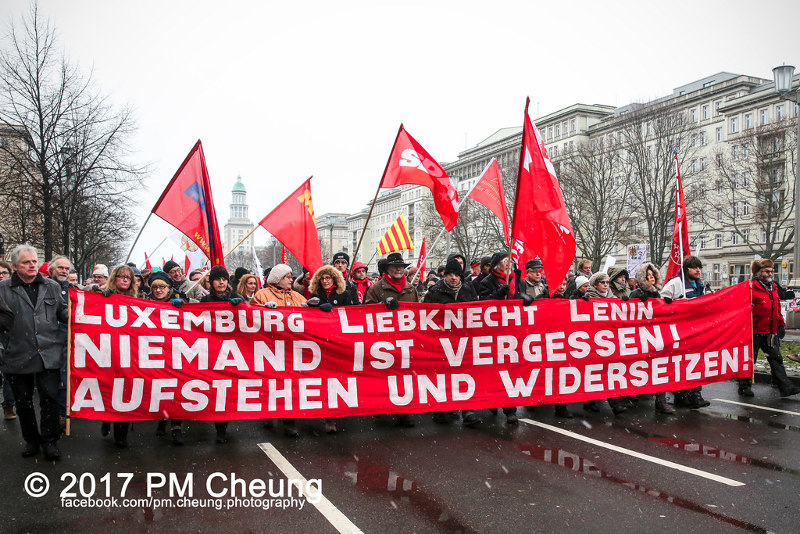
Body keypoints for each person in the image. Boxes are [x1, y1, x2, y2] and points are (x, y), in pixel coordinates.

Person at [0, 245, 68, 460]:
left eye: (34, 262)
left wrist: (86, 309)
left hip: (48, 354)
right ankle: (31, 440)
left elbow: (62, 311)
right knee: (24, 402)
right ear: (14, 266)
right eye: (26, 262)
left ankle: (50, 442)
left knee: (49, 399)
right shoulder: (3, 289)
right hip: (17, 355)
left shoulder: (51, 286)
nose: (32, 265)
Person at [423, 257, 482, 426]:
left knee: (465, 375)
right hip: (442, 343)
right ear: (445, 275)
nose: (454, 277)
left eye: (457, 274)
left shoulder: (467, 290)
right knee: (443, 376)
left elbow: (477, 312)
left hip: (464, 341)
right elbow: (425, 318)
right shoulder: (434, 293)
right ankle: (441, 408)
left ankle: (468, 411)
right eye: (450, 274)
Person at [364, 253, 419, 427]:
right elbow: (365, 312)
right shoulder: (376, 288)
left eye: (401, 266)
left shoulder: (411, 289)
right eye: (395, 266)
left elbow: (419, 313)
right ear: (387, 269)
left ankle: (404, 412)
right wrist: (382, 306)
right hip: (383, 341)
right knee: (383, 376)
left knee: (404, 376)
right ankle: (380, 405)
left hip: (405, 340)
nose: (398, 269)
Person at [251, 264, 306, 436]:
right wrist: (261, 309)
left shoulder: (297, 296)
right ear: (276, 279)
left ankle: (289, 421)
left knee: (289, 386)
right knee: (271, 384)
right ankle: (269, 413)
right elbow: (250, 317)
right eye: (287, 277)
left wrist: (312, 309)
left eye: (291, 276)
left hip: (292, 349)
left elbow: (309, 319)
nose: (291, 279)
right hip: (270, 347)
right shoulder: (262, 295)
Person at [738, 259, 799, 398]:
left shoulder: (774, 288)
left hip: (770, 331)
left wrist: (781, 324)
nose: (770, 273)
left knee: (776, 359)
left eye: (771, 271)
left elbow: (776, 309)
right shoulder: (751, 287)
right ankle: (744, 386)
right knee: (749, 360)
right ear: (759, 273)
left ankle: (785, 387)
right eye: (767, 271)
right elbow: (741, 308)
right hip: (754, 331)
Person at [200, 266, 245, 443]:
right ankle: (219, 429)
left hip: (232, 351)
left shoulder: (237, 298)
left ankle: (223, 428)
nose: (221, 282)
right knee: (216, 391)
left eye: (224, 279)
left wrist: (241, 306)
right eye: (218, 279)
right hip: (211, 351)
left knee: (227, 392)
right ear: (212, 282)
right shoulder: (205, 300)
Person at [660, 255, 711, 409]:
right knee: (681, 364)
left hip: (696, 331)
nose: (698, 270)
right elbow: (661, 304)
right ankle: (682, 394)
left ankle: (695, 394)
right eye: (695, 268)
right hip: (679, 332)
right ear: (686, 269)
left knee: (695, 363)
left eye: (699, 268)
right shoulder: (675, 284)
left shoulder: (700, 285)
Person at [97, 265, 139, 447]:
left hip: (129, 352)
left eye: (127, 278)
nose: (124, 280)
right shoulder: (101, 295)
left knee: (126, 392)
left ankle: (121, 434)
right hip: (108, 351)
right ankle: (107, 418)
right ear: (114, 278)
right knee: (109, 389)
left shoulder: (138, 300)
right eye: (121, 276)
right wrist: (101, 297)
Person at [309, 265, 352, 433]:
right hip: (319, 342)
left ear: (335, 279)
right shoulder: (315, 295)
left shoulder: (344, 295)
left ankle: (335, 414)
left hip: (338, 341)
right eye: (323, 278)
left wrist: (332, 313)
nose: (325, 281)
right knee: (325, 379)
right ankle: (328, 416)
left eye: (328, 278)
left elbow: (351, 314)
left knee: (338, 378)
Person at [146, 271, 188, 445]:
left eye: (162, 287)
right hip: (155, 351)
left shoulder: (180, 299)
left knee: (176, 388)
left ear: (169, 289)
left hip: (176, 351)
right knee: (159, 388)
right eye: (155, 287)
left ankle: (176, 426)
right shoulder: (144, 303)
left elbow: (198, 311)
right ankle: (161, 419)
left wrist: (183, 305)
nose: (158, 290)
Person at [478, 252, 518, 424]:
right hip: (494, 332)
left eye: (510, 261)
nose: (509, 264)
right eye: (505, 261)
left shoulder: (517, 280)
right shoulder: (486, 282)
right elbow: (482, 304)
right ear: (496, 266)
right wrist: (496, 297)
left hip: (514, 332)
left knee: (512, 371)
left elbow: (520, 298)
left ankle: (510, 410)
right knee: (495, 370)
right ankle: (492, 400)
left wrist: (523, 300)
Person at [630, 263, 675, 414]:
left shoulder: (657, 294)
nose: (651, 277)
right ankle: (630, 394)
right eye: (648, 275)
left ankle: (661, 401)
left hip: (654, 338)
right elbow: (627, 315)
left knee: (659, 368)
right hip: (640, 338)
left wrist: (666, 305)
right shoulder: (636, 294)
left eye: (653, 274)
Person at [581, 272, 627, 415]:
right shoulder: (587, 299)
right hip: (593, 340)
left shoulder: (613, 298)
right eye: (603, 283)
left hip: (608, 341)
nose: (606, 285)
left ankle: (613, 404)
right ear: (595, 284)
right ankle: (594, 402)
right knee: (595, 372)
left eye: (607, 282)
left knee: (607, 371)